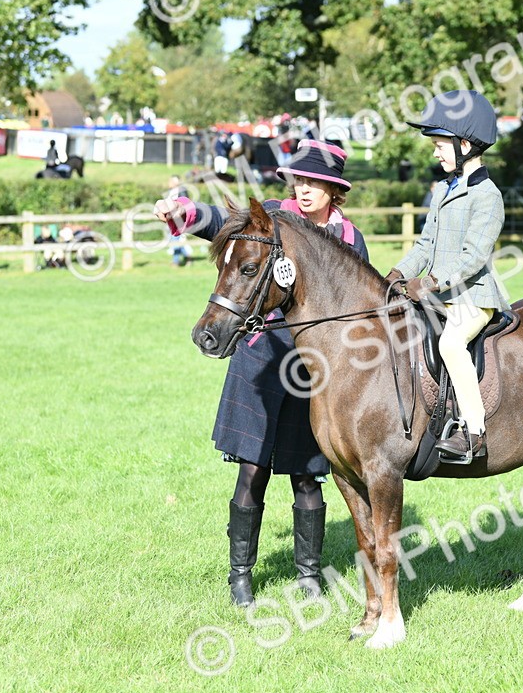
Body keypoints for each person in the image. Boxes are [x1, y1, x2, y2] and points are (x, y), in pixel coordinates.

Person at [154, 139, 367, 607]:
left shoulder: (349, 239)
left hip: (314, 368)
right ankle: (240, 578)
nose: (306, 189)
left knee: (309, 475)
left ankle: (309, 576)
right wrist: (182, 210)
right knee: (252, 471)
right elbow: (218, 223)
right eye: (301, 180)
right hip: (259, 355)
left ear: (335, 191)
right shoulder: (270, 217)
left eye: (317, 183)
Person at [385, 90, 510, 463]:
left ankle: (474, 432)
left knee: (451, 345)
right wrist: (397, 273)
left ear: (465, 144)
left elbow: (474, 257)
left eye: (441, 145)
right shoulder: (443, 189)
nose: (436, 153)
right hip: (438, 296)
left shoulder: (488, 196)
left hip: (474, 298)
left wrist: (432, 282)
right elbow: (425, 245)